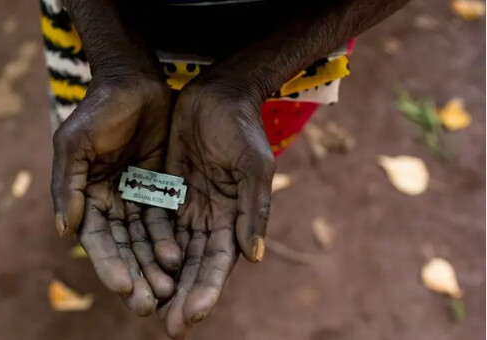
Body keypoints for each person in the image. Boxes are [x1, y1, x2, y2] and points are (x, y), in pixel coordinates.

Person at [40, 0, 408, 338]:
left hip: (290, 59)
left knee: (246, 154)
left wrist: (251, 80)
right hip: (97, 37)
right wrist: (114, 59)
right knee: (97, 137)